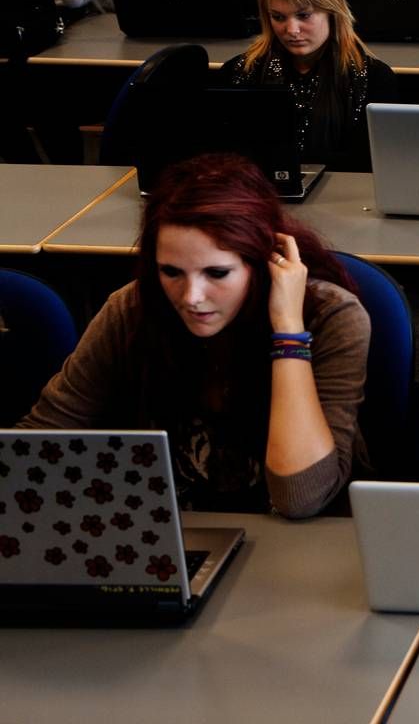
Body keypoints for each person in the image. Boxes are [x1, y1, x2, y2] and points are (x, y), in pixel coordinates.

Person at [18, 153, 369, 518]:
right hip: (162, 529)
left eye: (216, 273)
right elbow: (37, 445)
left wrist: (288, 331)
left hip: (300, 542)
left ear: (265, 262)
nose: (191, 297)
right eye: (171, 272)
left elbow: (301, 498)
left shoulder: (330, 317)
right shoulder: (133, 307)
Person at [220, 0, 398, 172]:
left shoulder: (375, 79)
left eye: (304, 15)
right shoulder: (238, 73)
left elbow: (372, 163)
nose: (292, 30)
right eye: (278, 17)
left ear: (332, 11)